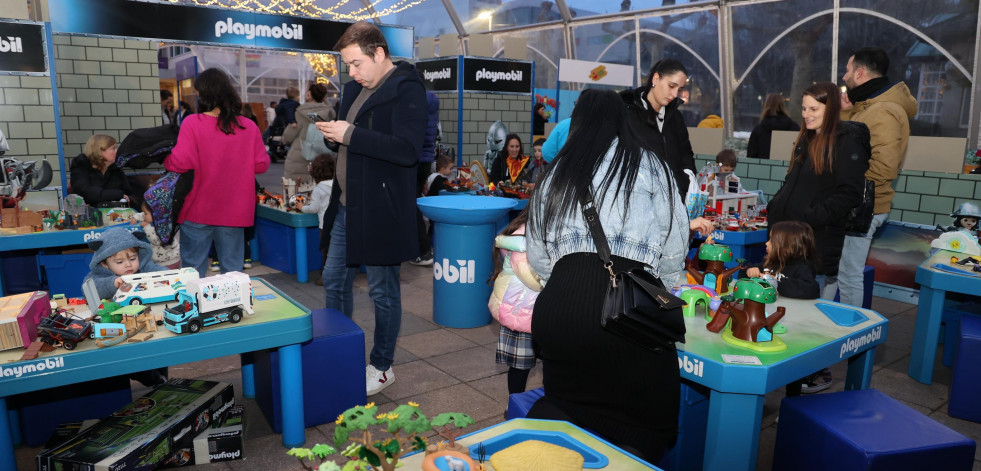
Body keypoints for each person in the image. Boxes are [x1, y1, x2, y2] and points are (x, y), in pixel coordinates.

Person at [526, 89, 690, 463]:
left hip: (562, 308)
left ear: (576, 122)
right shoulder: (653, 166)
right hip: (630, 314)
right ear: (623, 120)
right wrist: (654, 283)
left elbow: (538, 257)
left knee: (567, 405)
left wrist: (571, 280)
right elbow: (674, 249)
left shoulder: (554, 173)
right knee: (646, 422)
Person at [315, 21, 428, 396]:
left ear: (379, 54)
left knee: (382, 291)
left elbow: (406, 150)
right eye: (347, 65)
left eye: (357, 63)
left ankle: (381, 366)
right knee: (334, 281)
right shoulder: (353, 89)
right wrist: (335, 138)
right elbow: (351, 144)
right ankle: (339, 352)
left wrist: (350, 135)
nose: (352, 73)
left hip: (380, 210)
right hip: (346, 205)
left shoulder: (407, 89)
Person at [766, 82, 870, 393]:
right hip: (790, 240)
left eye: (814, 110)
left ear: (831, 110)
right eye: (804, 109)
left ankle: (816, 373)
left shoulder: (845, 144)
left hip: (815, 242)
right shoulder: (806, 139)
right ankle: (794, 373)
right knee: (788, 310)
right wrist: (776, 207)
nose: (807, 115)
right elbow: (794, 183)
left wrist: (810, 216)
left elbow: (849, 194)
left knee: (809, 317)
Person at [834, 47, 918, 307]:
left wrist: (842, 183)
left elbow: (884, 167)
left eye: (848, 70)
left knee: (848, 276)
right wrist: (847, 112)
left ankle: (849, 335)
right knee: (838, 273)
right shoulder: (868, 107)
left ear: (859, 73)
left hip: (863, 206)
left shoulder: (882, 111)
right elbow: (856, 146)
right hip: (855, 202)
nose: (844, 76)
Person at [165, 68, 270, 275]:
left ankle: (191, 307)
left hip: (197, 208)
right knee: (232, 271)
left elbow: (180, 162)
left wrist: (166, 159)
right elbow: (261, 165)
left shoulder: (192, 123)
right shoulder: (247, 126)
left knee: (192, 270)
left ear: (203, 94)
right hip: (235, 209)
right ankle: (233, 307)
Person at [740, 220, 822, 394]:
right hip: (773, 320)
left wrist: (774, 281)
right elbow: (748, 272)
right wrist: (750, 271)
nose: (766, 243)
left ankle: (792, 401)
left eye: (771, 240)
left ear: (785, 245)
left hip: (794, 324)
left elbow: (810, 288)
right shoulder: (772, 263)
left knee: (794, 368)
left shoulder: (803, 267)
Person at [83, 226, 170, 386]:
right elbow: (89, 287)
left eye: (132, 258)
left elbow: (163, 272)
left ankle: (162, 380)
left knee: (159, 354)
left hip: (149, 322)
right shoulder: (100, 275)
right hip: (123, 331)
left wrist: (171, 276)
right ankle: (155, 380)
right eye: (120, 261)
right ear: (104, 263)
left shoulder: (144, 267)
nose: (128, 265)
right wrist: (112, 283)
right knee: (135, 364)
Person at [620, 59, 696, 200]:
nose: (674, 95)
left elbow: (686, 156)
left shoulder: (675, 117)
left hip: (673, 203)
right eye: (671, 86)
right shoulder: (626, 112)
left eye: (679, 90)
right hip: (637, 202)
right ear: (656, 78)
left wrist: (684, 184)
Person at [488, 209, 542, 396]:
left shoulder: (532, 234)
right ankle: (515, 405)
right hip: (522, 312)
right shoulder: (523, 239)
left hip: (531, 309)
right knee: (521, 365)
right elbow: (534, 281)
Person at [410, 90, 441, 266]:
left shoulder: (414, 97)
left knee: (411, 205)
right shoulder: (432, 100)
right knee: (414, 203)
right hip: (426, 158)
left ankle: (423, 251)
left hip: (413, 158)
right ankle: (422, 249)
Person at [281, 83, 336, 181]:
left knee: (298, 193)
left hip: (300, 160)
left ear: (309, 94)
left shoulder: (300, 113)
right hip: (324, 160)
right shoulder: (329, 113)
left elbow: (288, 137)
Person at [296, 154, 335, 285]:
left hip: (325, 226)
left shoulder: (319, 189)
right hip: (339, 224)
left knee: (326, 252)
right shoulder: (337, 185)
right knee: (338, 252)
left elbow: (313, 208)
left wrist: (302, 207)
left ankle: (325, 277)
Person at [70, 134, 133, 207]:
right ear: (100, 150)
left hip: (113, 213)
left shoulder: (116, 169)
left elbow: (128, 192)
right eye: (113, 148)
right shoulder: (81, 165)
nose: (117, 151)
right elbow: (85, 192)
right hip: (85, 213)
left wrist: (128, 198)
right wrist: (118, 195)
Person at [747, 94, 800, 159]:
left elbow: (751, 157)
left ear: (766, 106)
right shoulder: (795, 128)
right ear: (783, 106)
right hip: (789, 168)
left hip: (763, 168)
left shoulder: (758, 130)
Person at [131, 203, 181, 269]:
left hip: (168, 262)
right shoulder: (158, 217)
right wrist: (136, 218)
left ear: (155, 214)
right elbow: (143, 214)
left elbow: (157, 240)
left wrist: (147, 227)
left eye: (145, 213)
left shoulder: (164, 226)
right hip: (162, 260)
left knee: (167, 277)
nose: (144, 215)